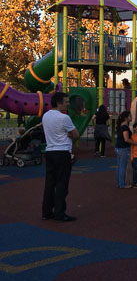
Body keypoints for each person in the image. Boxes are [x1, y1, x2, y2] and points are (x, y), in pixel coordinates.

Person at [41, 92, 79, 222]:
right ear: (59, 103)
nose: (68, 104)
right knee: (62, 183)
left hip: (50, 151)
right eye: (66, 102)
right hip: (62, 152)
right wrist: (69, 134)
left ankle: (46, 212)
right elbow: (75, 134)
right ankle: (59, 213)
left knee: (50, 183)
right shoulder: (64, 118)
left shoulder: (45, 116)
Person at [115, 110, 137, 189]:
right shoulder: (125, 127)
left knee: (119, 166)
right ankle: (122, 184)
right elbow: (126, 139)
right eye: (130, 116)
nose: (131, 117)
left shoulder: (121, 126)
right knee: (122, 167)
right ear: (126, 118)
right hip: (123, 149)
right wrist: (136, 143)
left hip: (119, 148)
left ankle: (119, 183)